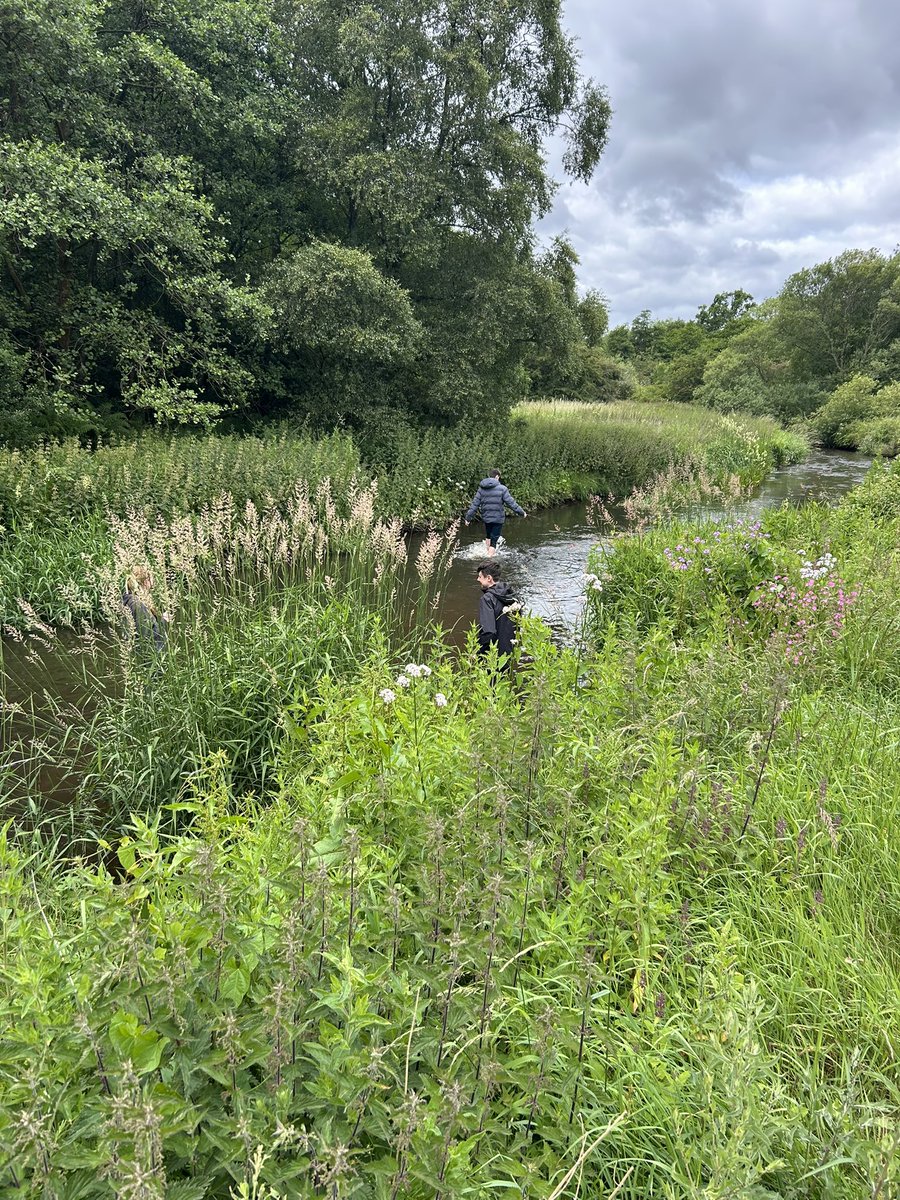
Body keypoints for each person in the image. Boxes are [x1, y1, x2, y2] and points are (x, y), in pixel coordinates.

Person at [465, 468, 526, 557]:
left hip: (486, 518)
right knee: (494, 541)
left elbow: (475, 504)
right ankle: (489, 559)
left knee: (488, 536)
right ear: (497, 476)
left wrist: (468, 518)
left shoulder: (481, 489)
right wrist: (522, 512)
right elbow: (511, 503)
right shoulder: (502, 489)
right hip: (498, 519)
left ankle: (487, 553)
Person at [475, 561, 519, 664]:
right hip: (508, 653)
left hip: (493, 656)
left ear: (489, 578)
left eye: (480, 577)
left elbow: (489, 631)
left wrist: (479, 654)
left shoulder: (487, 599)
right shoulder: (510, 595)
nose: (478, 579)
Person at [122, 565, 166, 653]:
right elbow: (146, 636)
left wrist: (161, 619)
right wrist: (163, 621)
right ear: (146, 582)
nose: (153, 584)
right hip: (150, 658)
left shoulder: (130, 599)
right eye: (152, 580)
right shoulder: (137, 604)